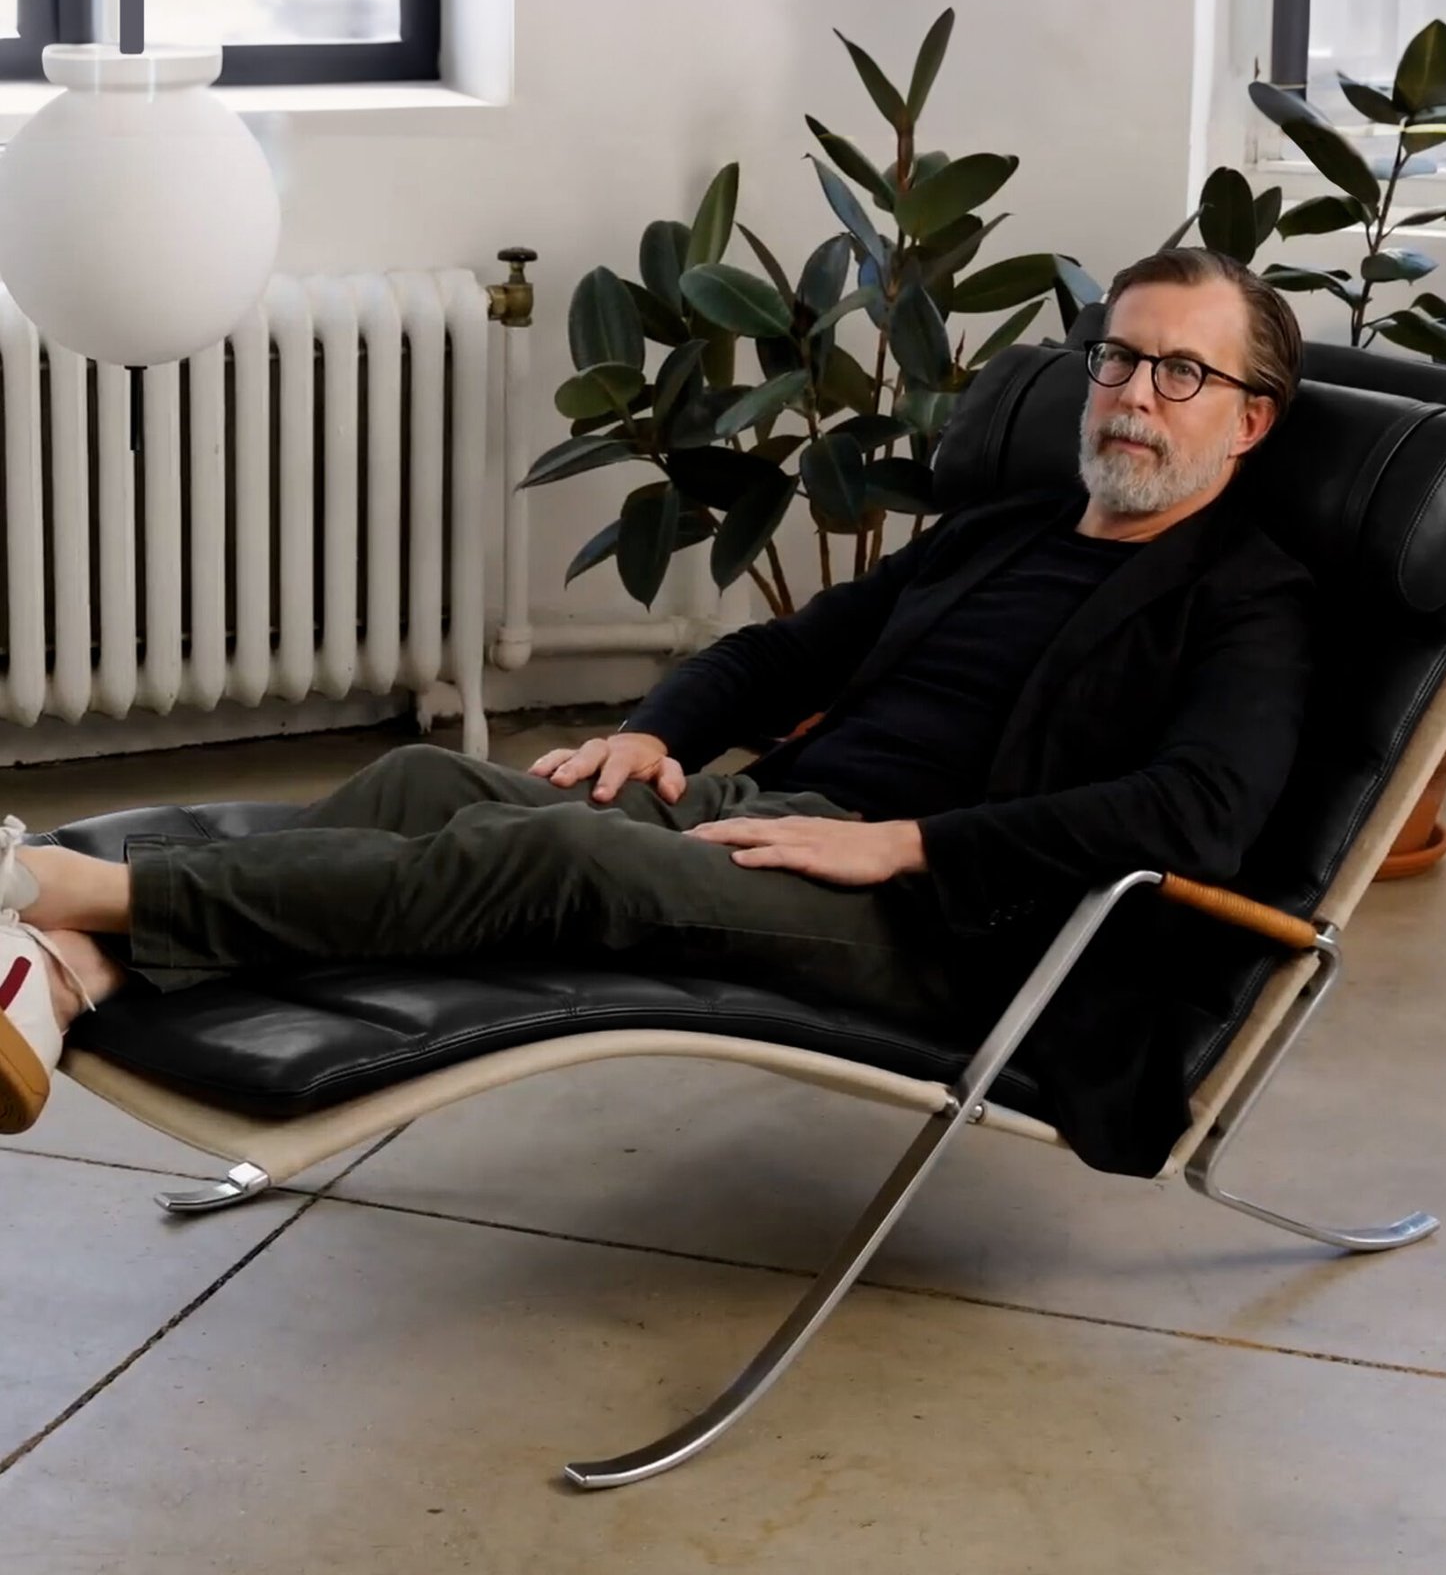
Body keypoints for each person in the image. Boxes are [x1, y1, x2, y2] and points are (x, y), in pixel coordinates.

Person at [0, 247, 1314, 1172]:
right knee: (425, 783)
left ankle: (57, 890)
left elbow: (1196, 814)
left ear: (1250, 422)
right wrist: (655, 733)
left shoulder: (1251, 601)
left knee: (553, 855)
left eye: (1180, 374)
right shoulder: (1005, 530)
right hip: (784, 818)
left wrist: (907, 845)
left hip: (946, 921)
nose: (1132, 396)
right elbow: (789, 650)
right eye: (1117, 358)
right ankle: (75, 972)